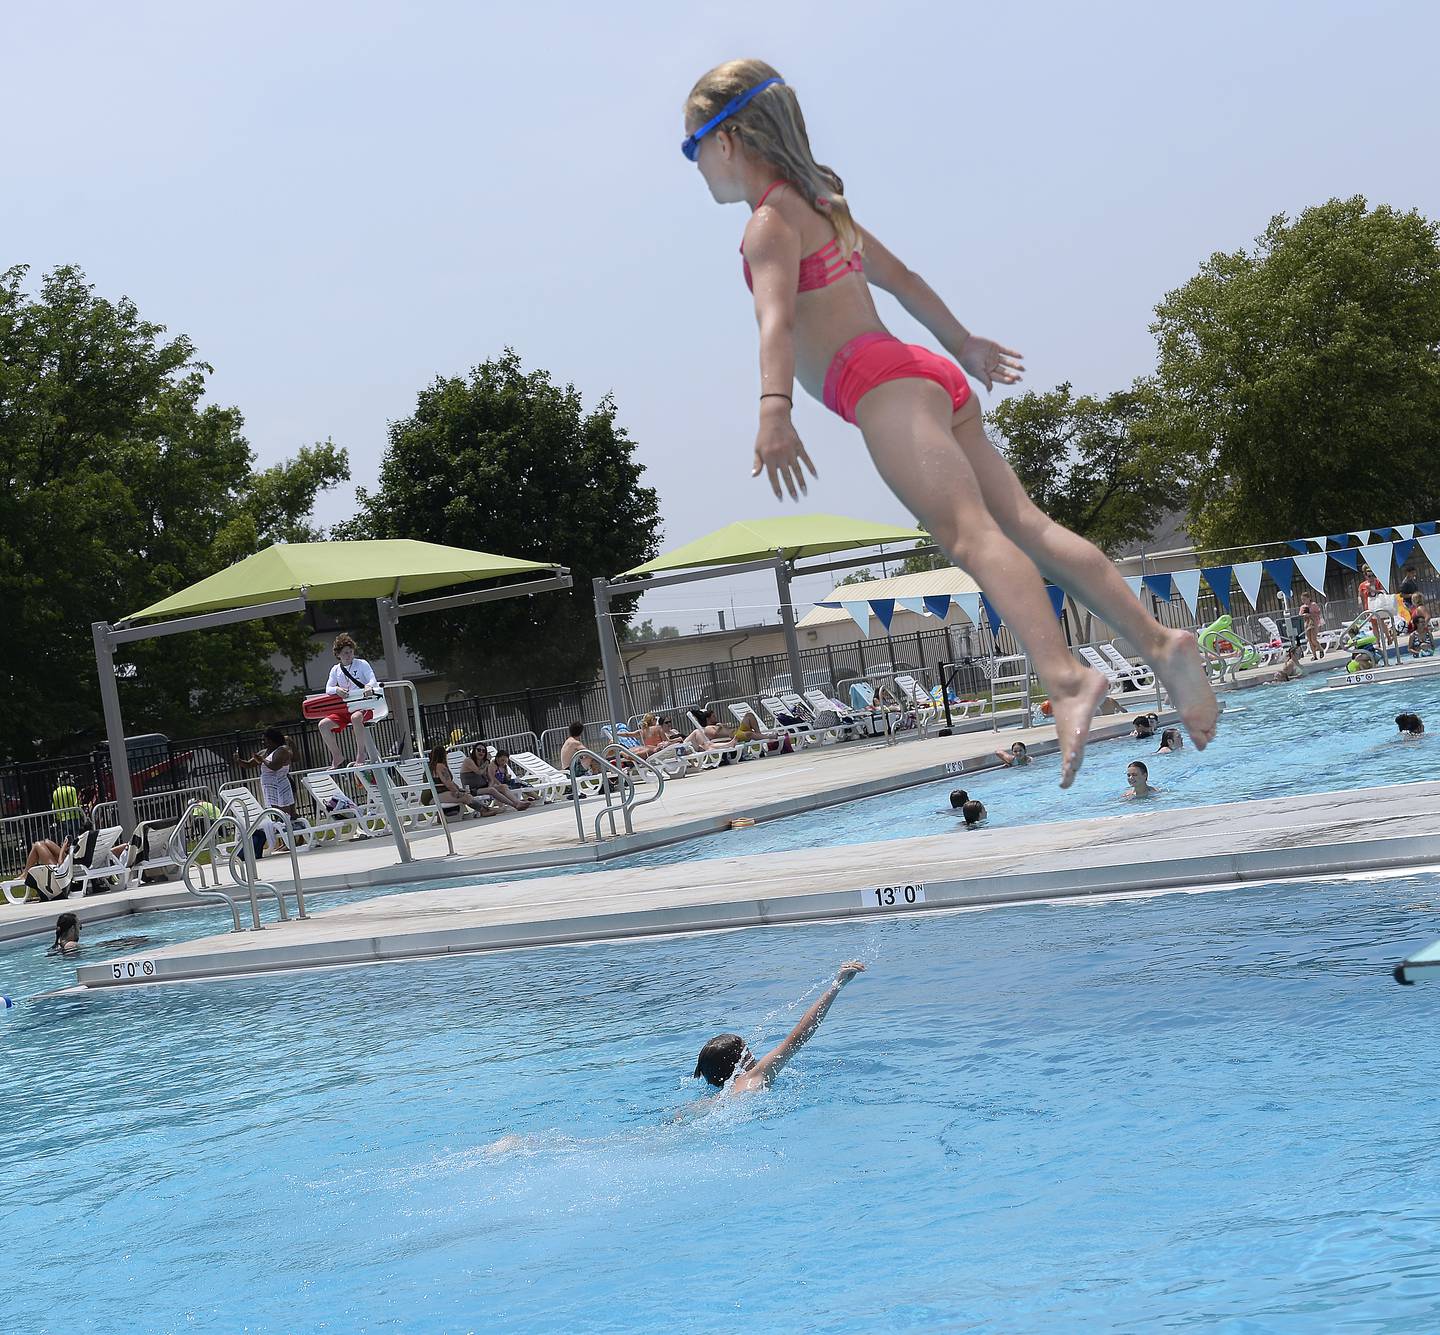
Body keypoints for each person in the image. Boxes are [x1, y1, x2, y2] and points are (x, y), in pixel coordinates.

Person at [680, 60, 1218, 787]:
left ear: (730, 138)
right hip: (926, 374)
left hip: (880, 386)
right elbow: (900, 280)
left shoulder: (768, 224)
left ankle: (1064, 678)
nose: (695, 165)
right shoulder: (825, 205)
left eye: (694, 148)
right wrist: (962, 343)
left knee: (972, 538)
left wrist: (774, 407)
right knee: (1028, 525)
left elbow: (775, 322)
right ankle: (1159, 642)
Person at [692, 960, 865, 1093]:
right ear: (741, 1061)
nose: (753, 1056)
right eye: (748, 1052)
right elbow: (800, 1035)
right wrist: (837, 986)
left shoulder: (717, 1099)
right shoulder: (755, 1076)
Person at [317, 634, 380, 767]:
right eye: (345, 653)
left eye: (351, 652)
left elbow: (372, 680)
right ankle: (337, 755)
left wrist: (369, 686)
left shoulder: (362, 664)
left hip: (362, 706)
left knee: (356, 718)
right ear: (338, 654)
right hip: (344, 709)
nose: (349, 655)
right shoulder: (335, 670)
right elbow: (328, 688)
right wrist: (337, 690)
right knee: (323, 725)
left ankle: (361, 754)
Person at [241, 727, 297, 848]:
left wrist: (262, 760)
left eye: (264, 739)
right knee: (278, 815)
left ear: (272, 740)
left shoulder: (282, 750)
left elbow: (275, 766)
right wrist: (237, 760)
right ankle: (285, 841)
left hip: (282, 785)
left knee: (287, 815)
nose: (263, 742)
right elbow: (248, 764)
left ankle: (293, 840)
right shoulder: (264, 752)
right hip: (270, 788)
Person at [427, 746, 497, 817]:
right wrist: (457, 792)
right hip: (433, 796)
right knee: (465, 797)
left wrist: (459, 789)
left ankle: (486, 809)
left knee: (466, 794)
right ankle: (484, 811)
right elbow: (448, 784)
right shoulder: (440, 766)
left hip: (436, 794)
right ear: (443, 755)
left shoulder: (433, 766)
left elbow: (448, 782)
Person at [459, 744, 533, 812]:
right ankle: (515, 805)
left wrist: (491, 784)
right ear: (474, 751)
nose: (481, 752)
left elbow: (487, 776)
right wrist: (488, 760)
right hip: (471, 790)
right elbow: (479, 772)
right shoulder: (468, 760)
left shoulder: (483, 762)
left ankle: (518, 802)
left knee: (503, 787)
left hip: (482, 787)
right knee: (491, 789)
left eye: (483, 751)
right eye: (478, 750)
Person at [1297, 593, 1325, 660]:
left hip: (1314, 623)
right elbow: (1300, 616)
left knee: (1313, 639)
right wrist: (1304, 615)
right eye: (1302, 599)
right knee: (1309, 640)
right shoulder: (1302, 607)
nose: (1303, 601)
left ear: (1309, 598)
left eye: (1304, 599)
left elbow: (1318, 613)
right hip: (1306, 624)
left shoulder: (1313, 605)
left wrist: (1310, 614)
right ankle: (1314, 656)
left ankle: (1321, 649)